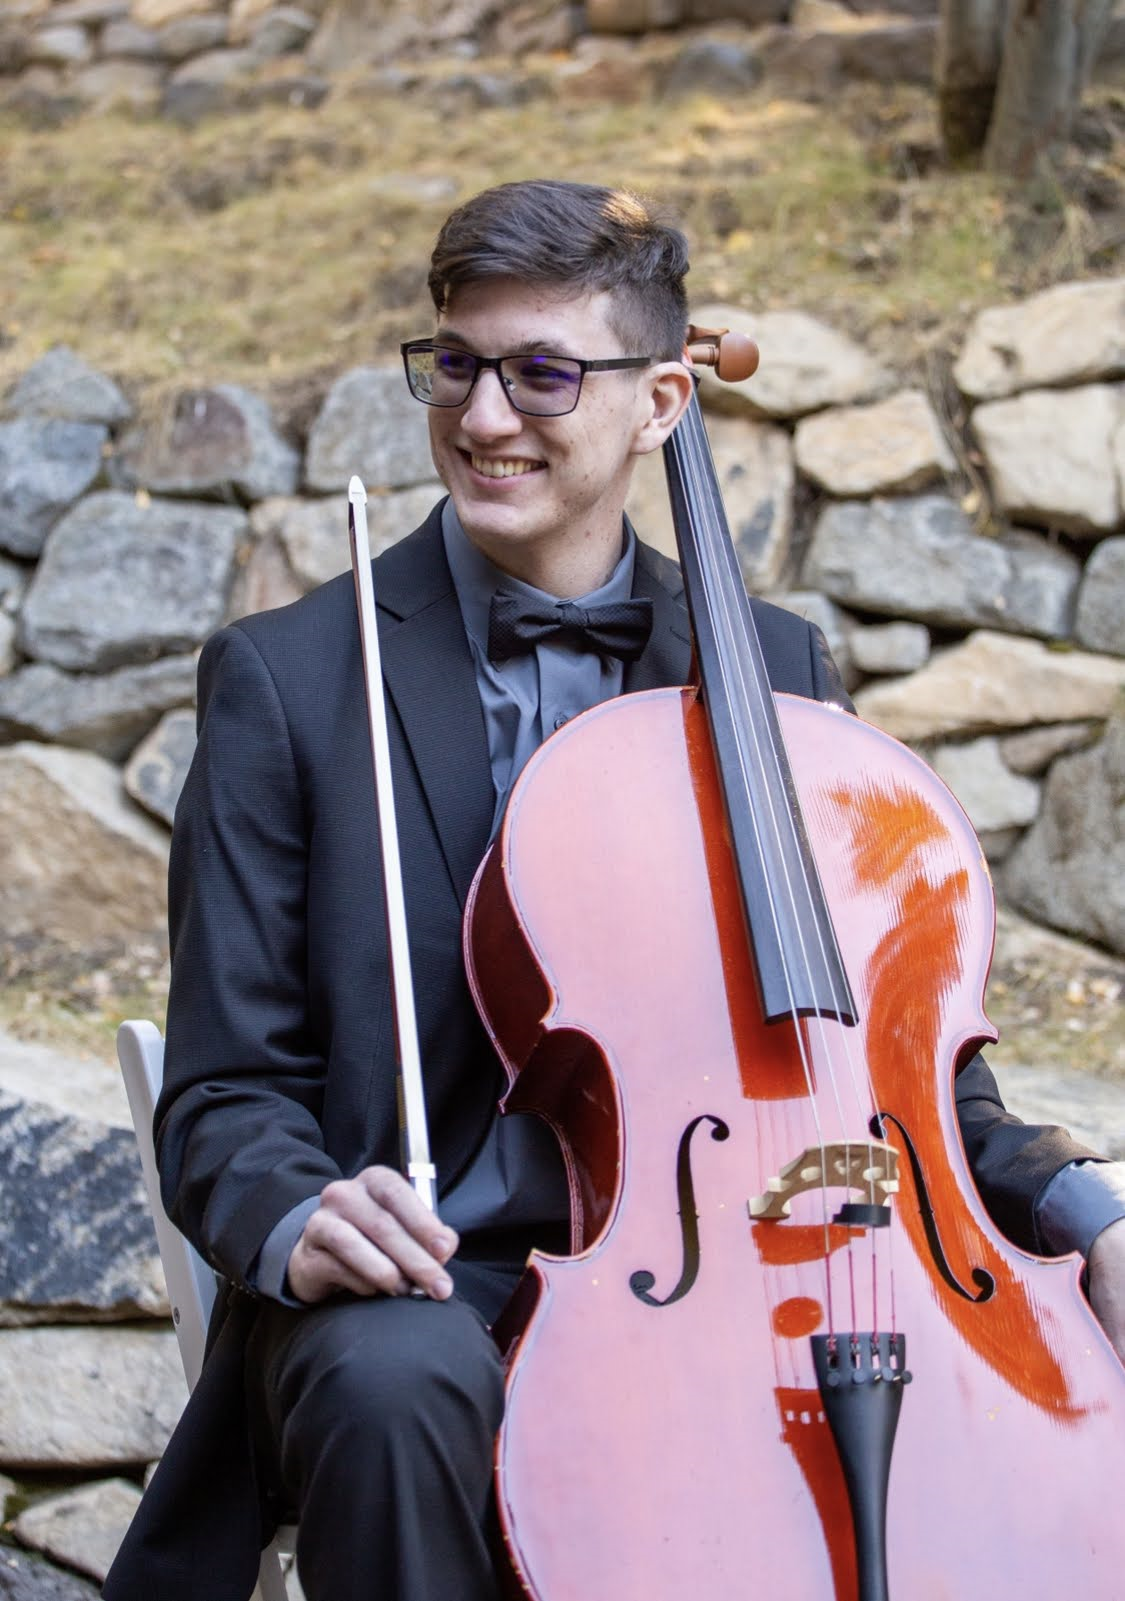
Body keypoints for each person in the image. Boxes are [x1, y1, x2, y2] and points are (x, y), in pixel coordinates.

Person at [104, 179, 1125, 1601]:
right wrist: (302, 1218)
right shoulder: (291, 678)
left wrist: (1087, 1212)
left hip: (749, 1259)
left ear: (662, 403)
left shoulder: (775, 671)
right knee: (394, 1384)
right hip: (432, 1278)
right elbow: (224, 1093)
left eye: (543, 373)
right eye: (456, 364)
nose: (483, 417)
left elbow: (898, 1065)